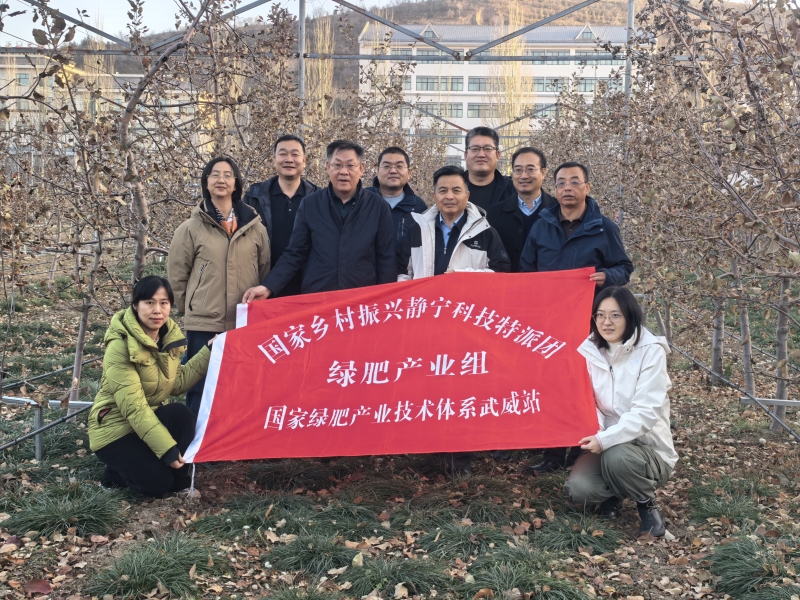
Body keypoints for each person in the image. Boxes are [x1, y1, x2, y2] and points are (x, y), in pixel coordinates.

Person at [521, 161, 634, 475]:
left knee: (587, 385)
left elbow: (624, 268)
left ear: (587, 187)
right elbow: (527, 270)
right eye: (561, 183)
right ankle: (553, 453)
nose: (567, 188)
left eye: (574, 182)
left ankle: (582, 450)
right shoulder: (541, 225)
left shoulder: (603, 227)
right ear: (554, 189)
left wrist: (605, 277)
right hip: (550, 322)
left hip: (589, 322)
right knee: (553, 385)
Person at [397, 165, 510, 476]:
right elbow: (403, 270)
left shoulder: (484, 231)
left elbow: (502, 273)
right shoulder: (417, 228)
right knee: (428, 384)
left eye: (456, 190)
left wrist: (462, 278)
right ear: (433, 194)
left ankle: (460, 458)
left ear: (467, 195)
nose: (449, 196)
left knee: (462, 389)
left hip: (466, 324)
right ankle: (431, 448)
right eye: (443, 190)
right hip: (425, 322)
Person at [564, 286, 677, 537]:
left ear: (629, 316)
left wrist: (605, 440)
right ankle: (615, 494)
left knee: (618, 458)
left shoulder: (650, 351)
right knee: (580, 490)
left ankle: (647, 506)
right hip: (605, 442)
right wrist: (597, 432)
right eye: (600, 315)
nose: (607, 322)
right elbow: (588, 402)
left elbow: (647, 412)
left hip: (647, 448)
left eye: (615, 315)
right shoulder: (590, 350)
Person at [89, 276, 213, 498]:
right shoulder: (120, 345)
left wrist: (209, 352)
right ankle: (115, 474)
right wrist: (167, 450)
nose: (157, 310)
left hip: (146, 420)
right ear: (135, 305)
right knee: (156, 484)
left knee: (180, 414)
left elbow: (176, 383)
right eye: (149, 302)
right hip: (115, 429)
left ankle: (179, 482)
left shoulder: (167, 338)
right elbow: (134, 407)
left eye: (164, 303)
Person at [168, 156, 270, 413]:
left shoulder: (255, 228)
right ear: (206, 182)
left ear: (236, 183)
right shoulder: (190, 228)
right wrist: (193, 308)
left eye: (227, 175)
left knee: (241, 385)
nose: (221, 180)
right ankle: (196, 435)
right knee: (200, 386)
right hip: (204, 321)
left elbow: (264, 271)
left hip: (243, 321)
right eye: (215, 174)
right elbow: (177, 275)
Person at [242, 140, 396, 302]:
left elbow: (386, 258)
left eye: (350, 165)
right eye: (337, 165)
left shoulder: (378, 206)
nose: (344, 172)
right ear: (328, 167)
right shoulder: (311, 204)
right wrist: (268, 286)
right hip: (318, 299)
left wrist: (387, 300)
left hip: (361, 300)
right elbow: (295, 253)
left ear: (361, 168)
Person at [243, 135, 319, 297]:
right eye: (283, 154)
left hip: (308, 288)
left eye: (295, 154)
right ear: (274, 159)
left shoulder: (319, 199)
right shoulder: (255, 197)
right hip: (263, 287)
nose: (289, 159)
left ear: (304, 160)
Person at [486, 147, 556, 272]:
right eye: (518, 170)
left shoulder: (557, 210)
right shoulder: (495, 212)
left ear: (543, 173)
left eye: (530, 169)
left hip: (546, 281)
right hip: (506, 281)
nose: (523, 176)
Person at [369, 146, 427, 248]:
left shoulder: (419, 207)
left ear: (409, 173)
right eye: (387, 166)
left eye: (399, 166)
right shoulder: (362, 201)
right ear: (377, 171)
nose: (393, 171)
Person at [463, 126, 515, 212]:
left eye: (487, 149)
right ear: (465, 155)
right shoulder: (450, 189)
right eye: (475, 149)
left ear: (497, 155)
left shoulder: (514, 190)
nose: (481, 155)